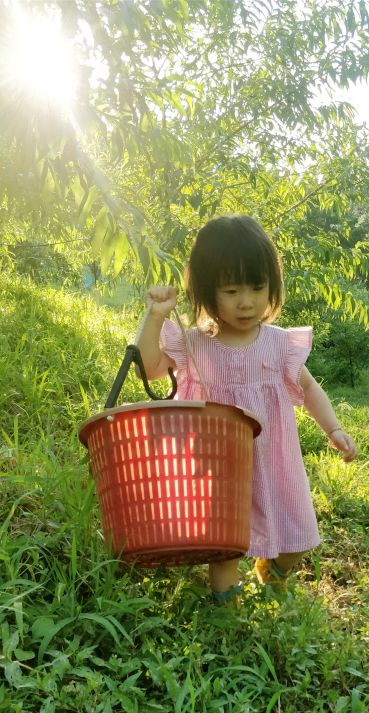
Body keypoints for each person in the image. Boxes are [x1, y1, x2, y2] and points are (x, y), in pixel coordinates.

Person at [136, 215, 357, 604]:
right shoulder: (194, 344)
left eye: (258, 287)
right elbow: (149, 367)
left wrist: (333, 428)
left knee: (299, 535)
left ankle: (273, 569)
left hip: (273, 458)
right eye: (231, 289)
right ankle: (227, 610)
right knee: (226, 543)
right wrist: (155, 316)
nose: (247, 301)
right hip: (217, 463)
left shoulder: (277, 343)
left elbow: (307, 386)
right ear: (206, 290)